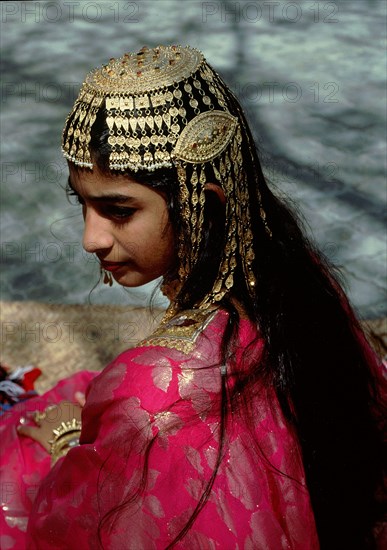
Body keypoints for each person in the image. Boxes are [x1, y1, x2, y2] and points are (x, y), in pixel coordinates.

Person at [0, 45, 385, 550]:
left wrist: (64, 443)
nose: (90, 238)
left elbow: (68, 528)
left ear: (205, 203)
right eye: (83, 204)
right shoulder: (299, 280)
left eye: (118, 210)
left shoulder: (155, 397)